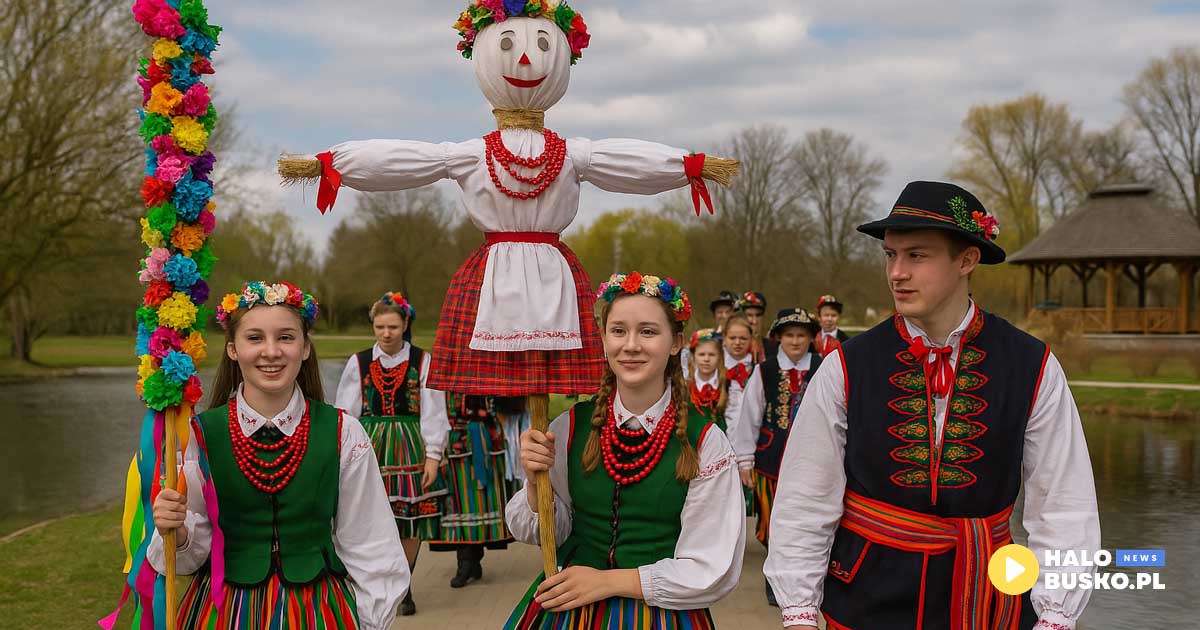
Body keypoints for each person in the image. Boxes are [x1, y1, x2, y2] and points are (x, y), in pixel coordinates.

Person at [765, 182, 1101, 630]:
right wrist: (800, 611)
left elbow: (1063, 503)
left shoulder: (1031, 364)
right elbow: (806, 498)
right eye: (890, 255)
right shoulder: (847, 366)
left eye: (916, 256)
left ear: (967, 260)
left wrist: (1055, 615)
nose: (896, 273)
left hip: (990, 598)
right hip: (867, 602)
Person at [149, 281, 408, 629]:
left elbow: (372, 543)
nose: (271, 351)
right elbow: (185, 554)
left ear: (304, 348)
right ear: (232, 349)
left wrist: (366, 621)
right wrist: (175, 532)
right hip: (224, 613)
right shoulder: (198, 436)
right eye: (254, 338)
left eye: (286, 337)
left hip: (319, 611)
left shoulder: (342, 433)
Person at [504, 271, 744, 628]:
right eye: (618, 331)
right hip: (569, 610)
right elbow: (544, 531)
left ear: (676, 342)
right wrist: (533, 478)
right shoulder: (570, 427)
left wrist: (608, 581)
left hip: (660, 614)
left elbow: (713, 567)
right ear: (603, 339)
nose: (630, 345)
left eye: (648, 331)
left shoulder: (705, 440)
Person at [335, 290, 449, 616]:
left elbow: (433, 409)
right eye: (380, 327)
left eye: (393, 328)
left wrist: (434, 454)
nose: (386, 334)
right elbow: (344, 412)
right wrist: (342, 453)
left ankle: (405, 581)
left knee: (411, 519)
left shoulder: (422, 361)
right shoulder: (358, 362)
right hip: (370, 447)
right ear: (373, 326)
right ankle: (378, 581)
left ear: (405, 324)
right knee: (371, 517)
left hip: (410, 444)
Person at [729, 308, 822, 606]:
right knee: (773, 523)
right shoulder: (765, 371)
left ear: (811, 338)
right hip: (772, 461)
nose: (795, 341)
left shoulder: (823, 367)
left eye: (802, 335)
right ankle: (776, 577)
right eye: (789, 335)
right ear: (778, 338)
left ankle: (806, 580)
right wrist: (745, 459)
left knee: (808, 522)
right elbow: (750, 416)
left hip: (813, 461)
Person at [429, 393, 515, 589]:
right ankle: (466, 560)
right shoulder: (444, 373)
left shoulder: (487, 369)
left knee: (481, 501)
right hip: (455, 441)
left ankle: (473, 558)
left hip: (486, 441)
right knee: (460, 503)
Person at [686, 328, 729, 431]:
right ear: (694, 356)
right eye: (701, 354)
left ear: (719, 356)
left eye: (711, 354)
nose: (706, 359)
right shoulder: (686, 385)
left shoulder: (726, 384)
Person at [736, 291, 774, 362]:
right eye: (749, 315)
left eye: (758, 315)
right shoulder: (734, 347)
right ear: (742, 317)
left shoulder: (772, 347)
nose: (754, 321)